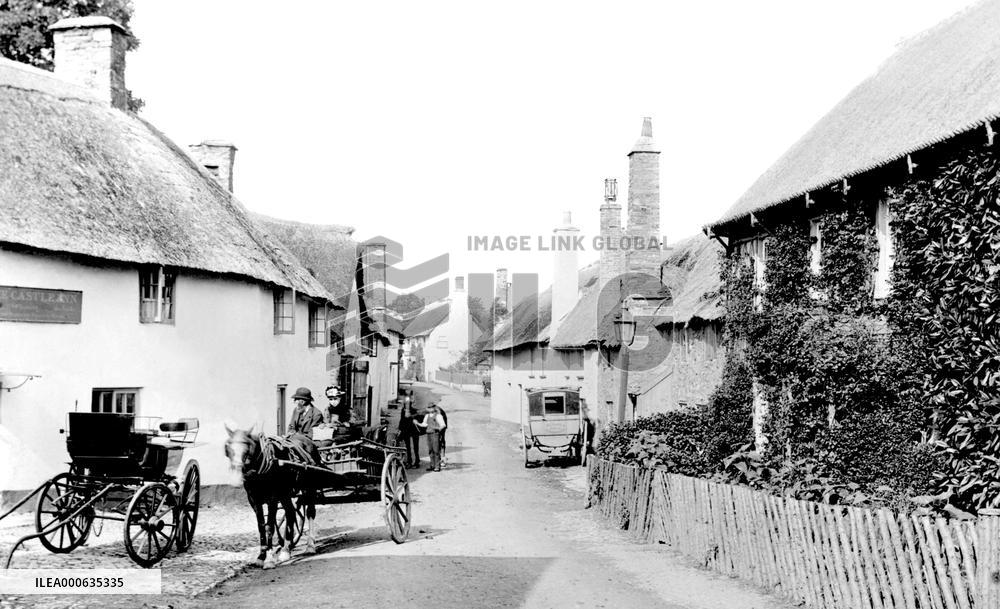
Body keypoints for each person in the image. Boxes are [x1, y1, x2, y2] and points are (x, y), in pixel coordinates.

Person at [414, 402, 447, 472]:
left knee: (436, 450)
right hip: (429, 434)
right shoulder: (427, 416)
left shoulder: (438, 416)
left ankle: (437, 466)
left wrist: (438, 429)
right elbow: (424, 424)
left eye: (432, 407)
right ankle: (432, 465)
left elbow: (443, 425)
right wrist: (418, 423)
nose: (430, 409)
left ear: (434, 408)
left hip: (435, 434)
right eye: (429, 408)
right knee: (430, 450)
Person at [397, 390, 420, 468]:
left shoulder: (413, 410)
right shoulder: (403, 410)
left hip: (413, 430)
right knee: (407, 446)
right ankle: (409, 461)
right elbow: (402, 420)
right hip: (406, 430)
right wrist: (400, 429)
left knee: (415, 446)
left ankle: (417, 461)